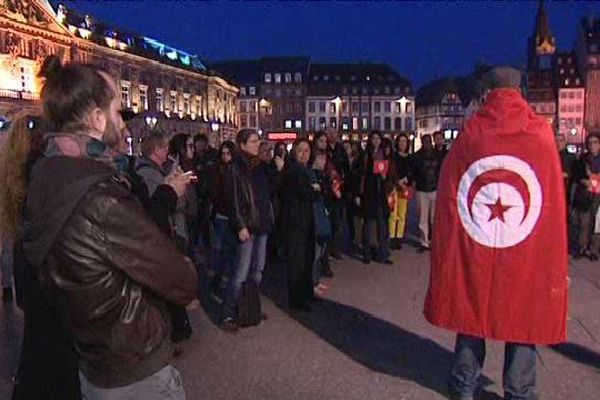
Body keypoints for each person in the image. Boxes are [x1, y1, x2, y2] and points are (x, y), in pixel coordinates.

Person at [20, 57, 197, 399]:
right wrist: (186, 268)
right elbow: (179, 278)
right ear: (98, 119)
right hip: (131, 361)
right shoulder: (99, 194)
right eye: (118, 113)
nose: (125, 127)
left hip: (92, 355)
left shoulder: (45, 175)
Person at [425, 66, 568, 400]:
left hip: (479, 245)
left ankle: (464, 385)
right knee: (523, 315)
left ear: (488, 93)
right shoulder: (541, 133)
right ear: (519, 91)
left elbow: (452, 189)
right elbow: (551, 199)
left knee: (472, 311)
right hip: (525, 246)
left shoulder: (472, 132)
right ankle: (519, 392)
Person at [221, 129, 272, 332]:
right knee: (240, 272)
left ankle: (249, 307)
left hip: (262, 225)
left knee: (257, 270)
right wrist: (240, 225)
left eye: (257, 141)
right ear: (242, 145)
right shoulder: (235, 167)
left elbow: (269, 192)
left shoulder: (260, 166)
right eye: (252, 142)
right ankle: (228, 312)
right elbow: (232, 200)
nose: (256, 144)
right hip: (247, 226)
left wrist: (277, 167)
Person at [279, 139, 319, 311]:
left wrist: (315, 189)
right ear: (294, 153)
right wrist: (314, 189)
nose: (304, 154)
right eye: (300, 151)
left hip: (307, 221)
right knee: (297, 263)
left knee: (307, 260)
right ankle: (297, 300)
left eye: (307, 151)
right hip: (295, 222)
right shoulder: (293, 171)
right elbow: (307, 193)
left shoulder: (307, 171)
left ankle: (306, 293)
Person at [355, 132, 395, 265]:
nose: (376, 141)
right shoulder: (365, 155)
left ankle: (382, 253)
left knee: (382, 225)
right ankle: (366, 253)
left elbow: (390, 174)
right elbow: (360, 176)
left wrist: (385, 178)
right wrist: (359, 194)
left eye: (378, 138)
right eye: (374, 138)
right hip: (369, 193)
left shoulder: (384, 155)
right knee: (367, 224)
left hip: (381, 194)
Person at [209, 141, 238, 304]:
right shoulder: (218, 171)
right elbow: (215, 192)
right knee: (220, 252)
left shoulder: (235, 171)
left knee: (230, 253)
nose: (225, 157)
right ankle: (217, 281)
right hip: (222, 215)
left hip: (231, 216)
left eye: (228, 153)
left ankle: (225, 282)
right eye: (223, 154)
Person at [411, 134, 442, 252]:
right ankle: (424, 242)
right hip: (422, 189)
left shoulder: (438, 155)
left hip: (435, 189)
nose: (427, 143)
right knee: (423, 218)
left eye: (428, 141)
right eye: (425, 141)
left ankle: (433, 240)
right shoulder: (417, 156)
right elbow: (413, 172)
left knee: (434, 218)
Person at [572, 133, 600, 260]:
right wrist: (584, 181)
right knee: (585, 221)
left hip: (599, 195)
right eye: (590, 143)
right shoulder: (582, 159)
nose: (592, 145)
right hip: (586, 194)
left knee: (596, 224)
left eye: (595, 142)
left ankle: (593, 249)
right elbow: (577, 175)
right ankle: (583, 248)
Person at [389, 133, 414, 250]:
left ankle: (399, 237)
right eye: (400, 141)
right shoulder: (393, 157)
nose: (402, 143)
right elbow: (391, 170)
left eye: (404, 141)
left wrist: (406, 180)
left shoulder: (410, 157)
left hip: (405, 187)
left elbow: (412, 171)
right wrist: (397, 180)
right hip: (394, 187)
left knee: (402, 213)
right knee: (393, 213)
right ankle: (391, 236)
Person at [556, 134, 576, 212]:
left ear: (565, 142)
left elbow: (576, 174)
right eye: (556, 140)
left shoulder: (571, 157)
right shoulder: (547, 155)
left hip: (567, 189)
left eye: (561, 141)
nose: (558, 143)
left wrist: (567, 175)